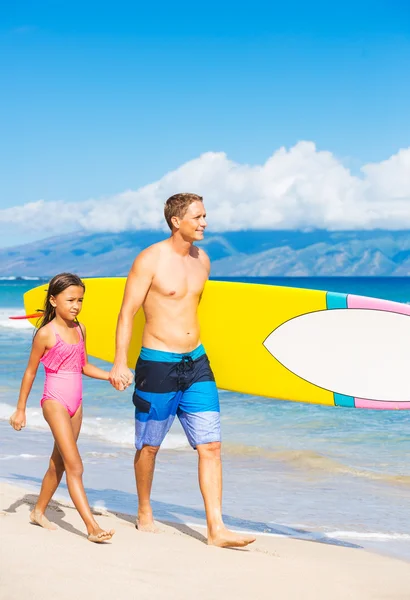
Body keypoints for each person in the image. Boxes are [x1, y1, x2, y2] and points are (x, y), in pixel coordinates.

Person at [109, 193, 255, 548]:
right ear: (177, 221)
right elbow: (127, 312)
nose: (205, 222)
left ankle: (216, 528)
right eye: (198, 217)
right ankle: (144, 509)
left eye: (205, 216)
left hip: (197, 364)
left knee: (212, 446)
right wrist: (118, 362)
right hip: (158, 364)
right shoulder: (150, 259)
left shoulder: (202, 259)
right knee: (149, 447)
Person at [9, 272, 115, 543]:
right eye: (70, 300)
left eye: (80, 300)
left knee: (59, 463)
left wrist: (111, 375)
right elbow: (30, 372)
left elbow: (84, 366)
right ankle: (92, 527)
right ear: (54, 300)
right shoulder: (46, 333)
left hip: (76, 404)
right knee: (75, 466)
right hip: (54, 401)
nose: (76, 305)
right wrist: (20, 409)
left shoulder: (80, 329)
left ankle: (38, 511)